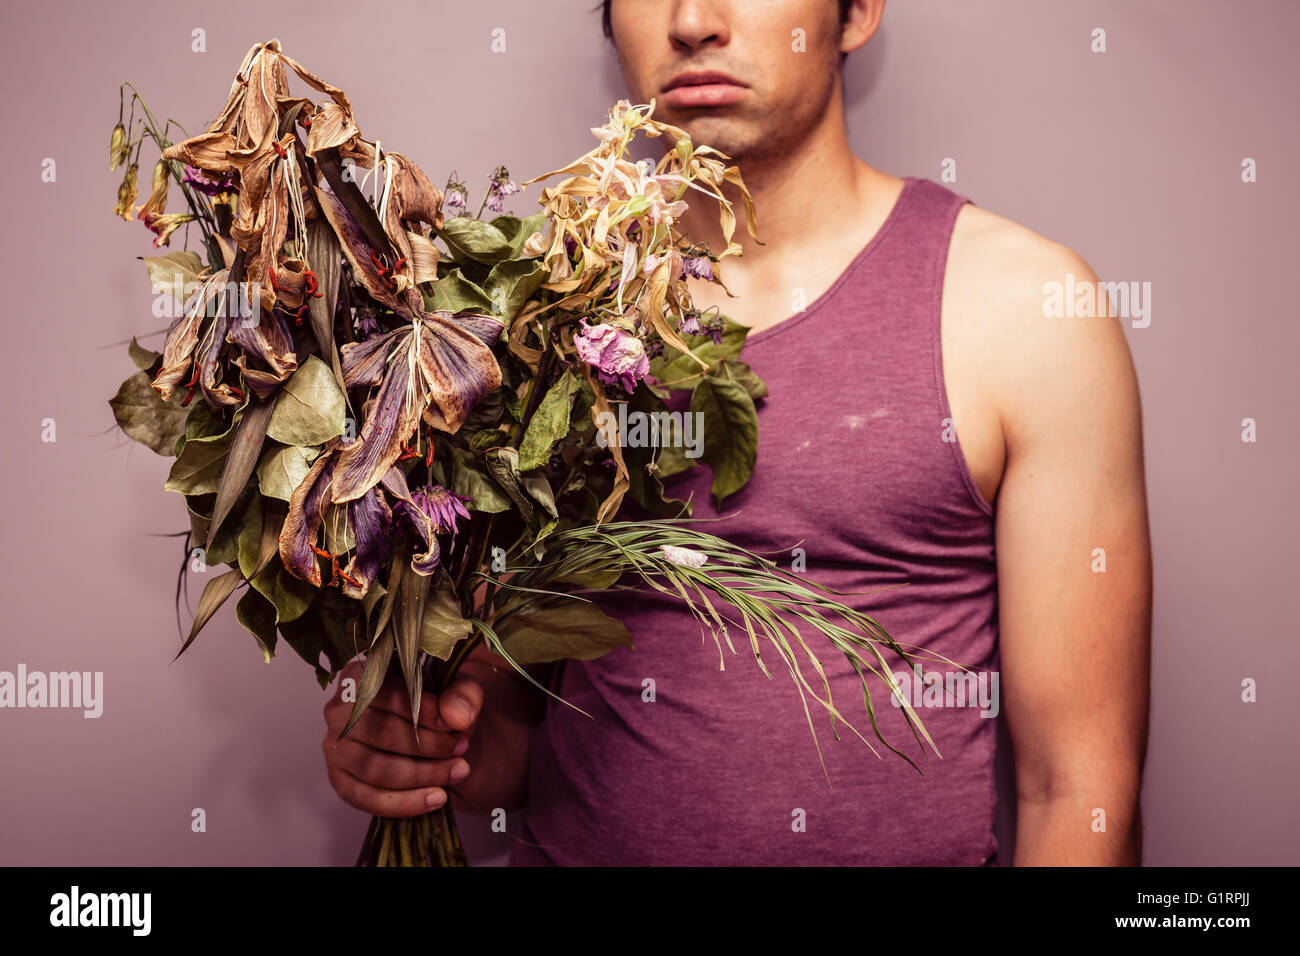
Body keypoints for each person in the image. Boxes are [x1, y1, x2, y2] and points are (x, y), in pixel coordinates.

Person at [322, 0, 1152, 865]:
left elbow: (1079, 794)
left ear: (857, 11)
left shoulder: (1026, 310)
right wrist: (428, 751)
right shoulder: (535, 314)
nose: (691, 20)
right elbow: (521, 738)